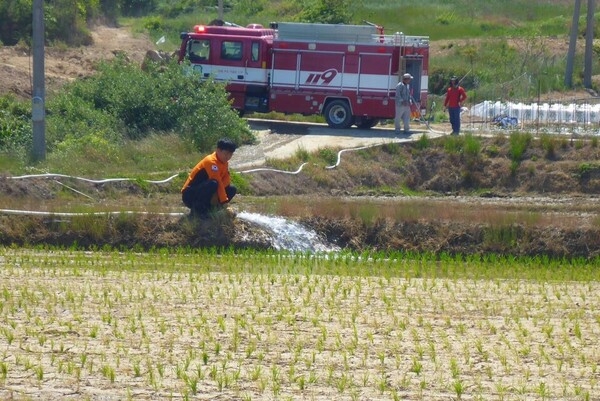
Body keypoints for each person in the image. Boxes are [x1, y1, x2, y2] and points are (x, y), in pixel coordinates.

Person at [181, 138, 237, 217]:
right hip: (190, 195)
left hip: (206, 193)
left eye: (230, 154)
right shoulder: (211, 161)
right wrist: (225, 203)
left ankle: (210, 210)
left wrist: (217, 195)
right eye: (226, 153)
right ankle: (197, 211)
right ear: (218, 150)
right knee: (213, 184)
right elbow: (218, 182)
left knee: (232, 189)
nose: (228, 156)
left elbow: (226, 181)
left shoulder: (224, 163)